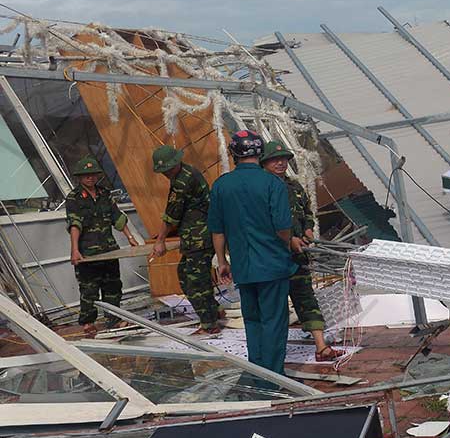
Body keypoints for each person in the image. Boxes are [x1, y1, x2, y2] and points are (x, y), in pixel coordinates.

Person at [208, 131, 297, 374]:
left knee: (253, 321)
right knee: (274, 322)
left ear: (233, 153)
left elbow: (217, 229)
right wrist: (286, 245)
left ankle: (258, 374)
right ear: (259, 153)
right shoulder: (272, 183)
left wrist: (222, 260)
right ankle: (275, 377)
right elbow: (282, 227)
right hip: (272, 264)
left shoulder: (221, 185)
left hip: (243, 266)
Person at [260, 140, 342, 362]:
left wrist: (307, 230)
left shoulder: (294, 186)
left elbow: (307, 212)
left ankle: (321, 347)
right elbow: (264, 222)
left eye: (284, 159)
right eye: (275, 160)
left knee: (306, 298)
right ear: (264, 162)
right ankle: (273, 356)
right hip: (273, 258)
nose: (280, 163)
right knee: (274, 309)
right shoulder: (261, 188)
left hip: (297, 256)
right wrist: (289, 241)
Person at [151, 145, 221, 335]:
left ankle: (209, 323)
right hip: (198, 235)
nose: (165, 174)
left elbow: (172, 214)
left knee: (195, 280)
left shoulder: (182, 181)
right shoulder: (187, 171)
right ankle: (213, 312)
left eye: (166, 170)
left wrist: (160, 241)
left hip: (198, 237)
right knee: (188, 274)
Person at [65, 156, 139, 335]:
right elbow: (74, 224)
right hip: (88, 253)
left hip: (108, 250)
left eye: (93, 175)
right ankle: (88, 323)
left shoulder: (105, 194)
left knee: (113, 286)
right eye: (86, 175)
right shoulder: (74, 198)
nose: (90, 178)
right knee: (89, 289)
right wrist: (74, 250)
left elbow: (117, 217)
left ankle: (114, 319)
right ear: (79, 178)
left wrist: (130, 237)